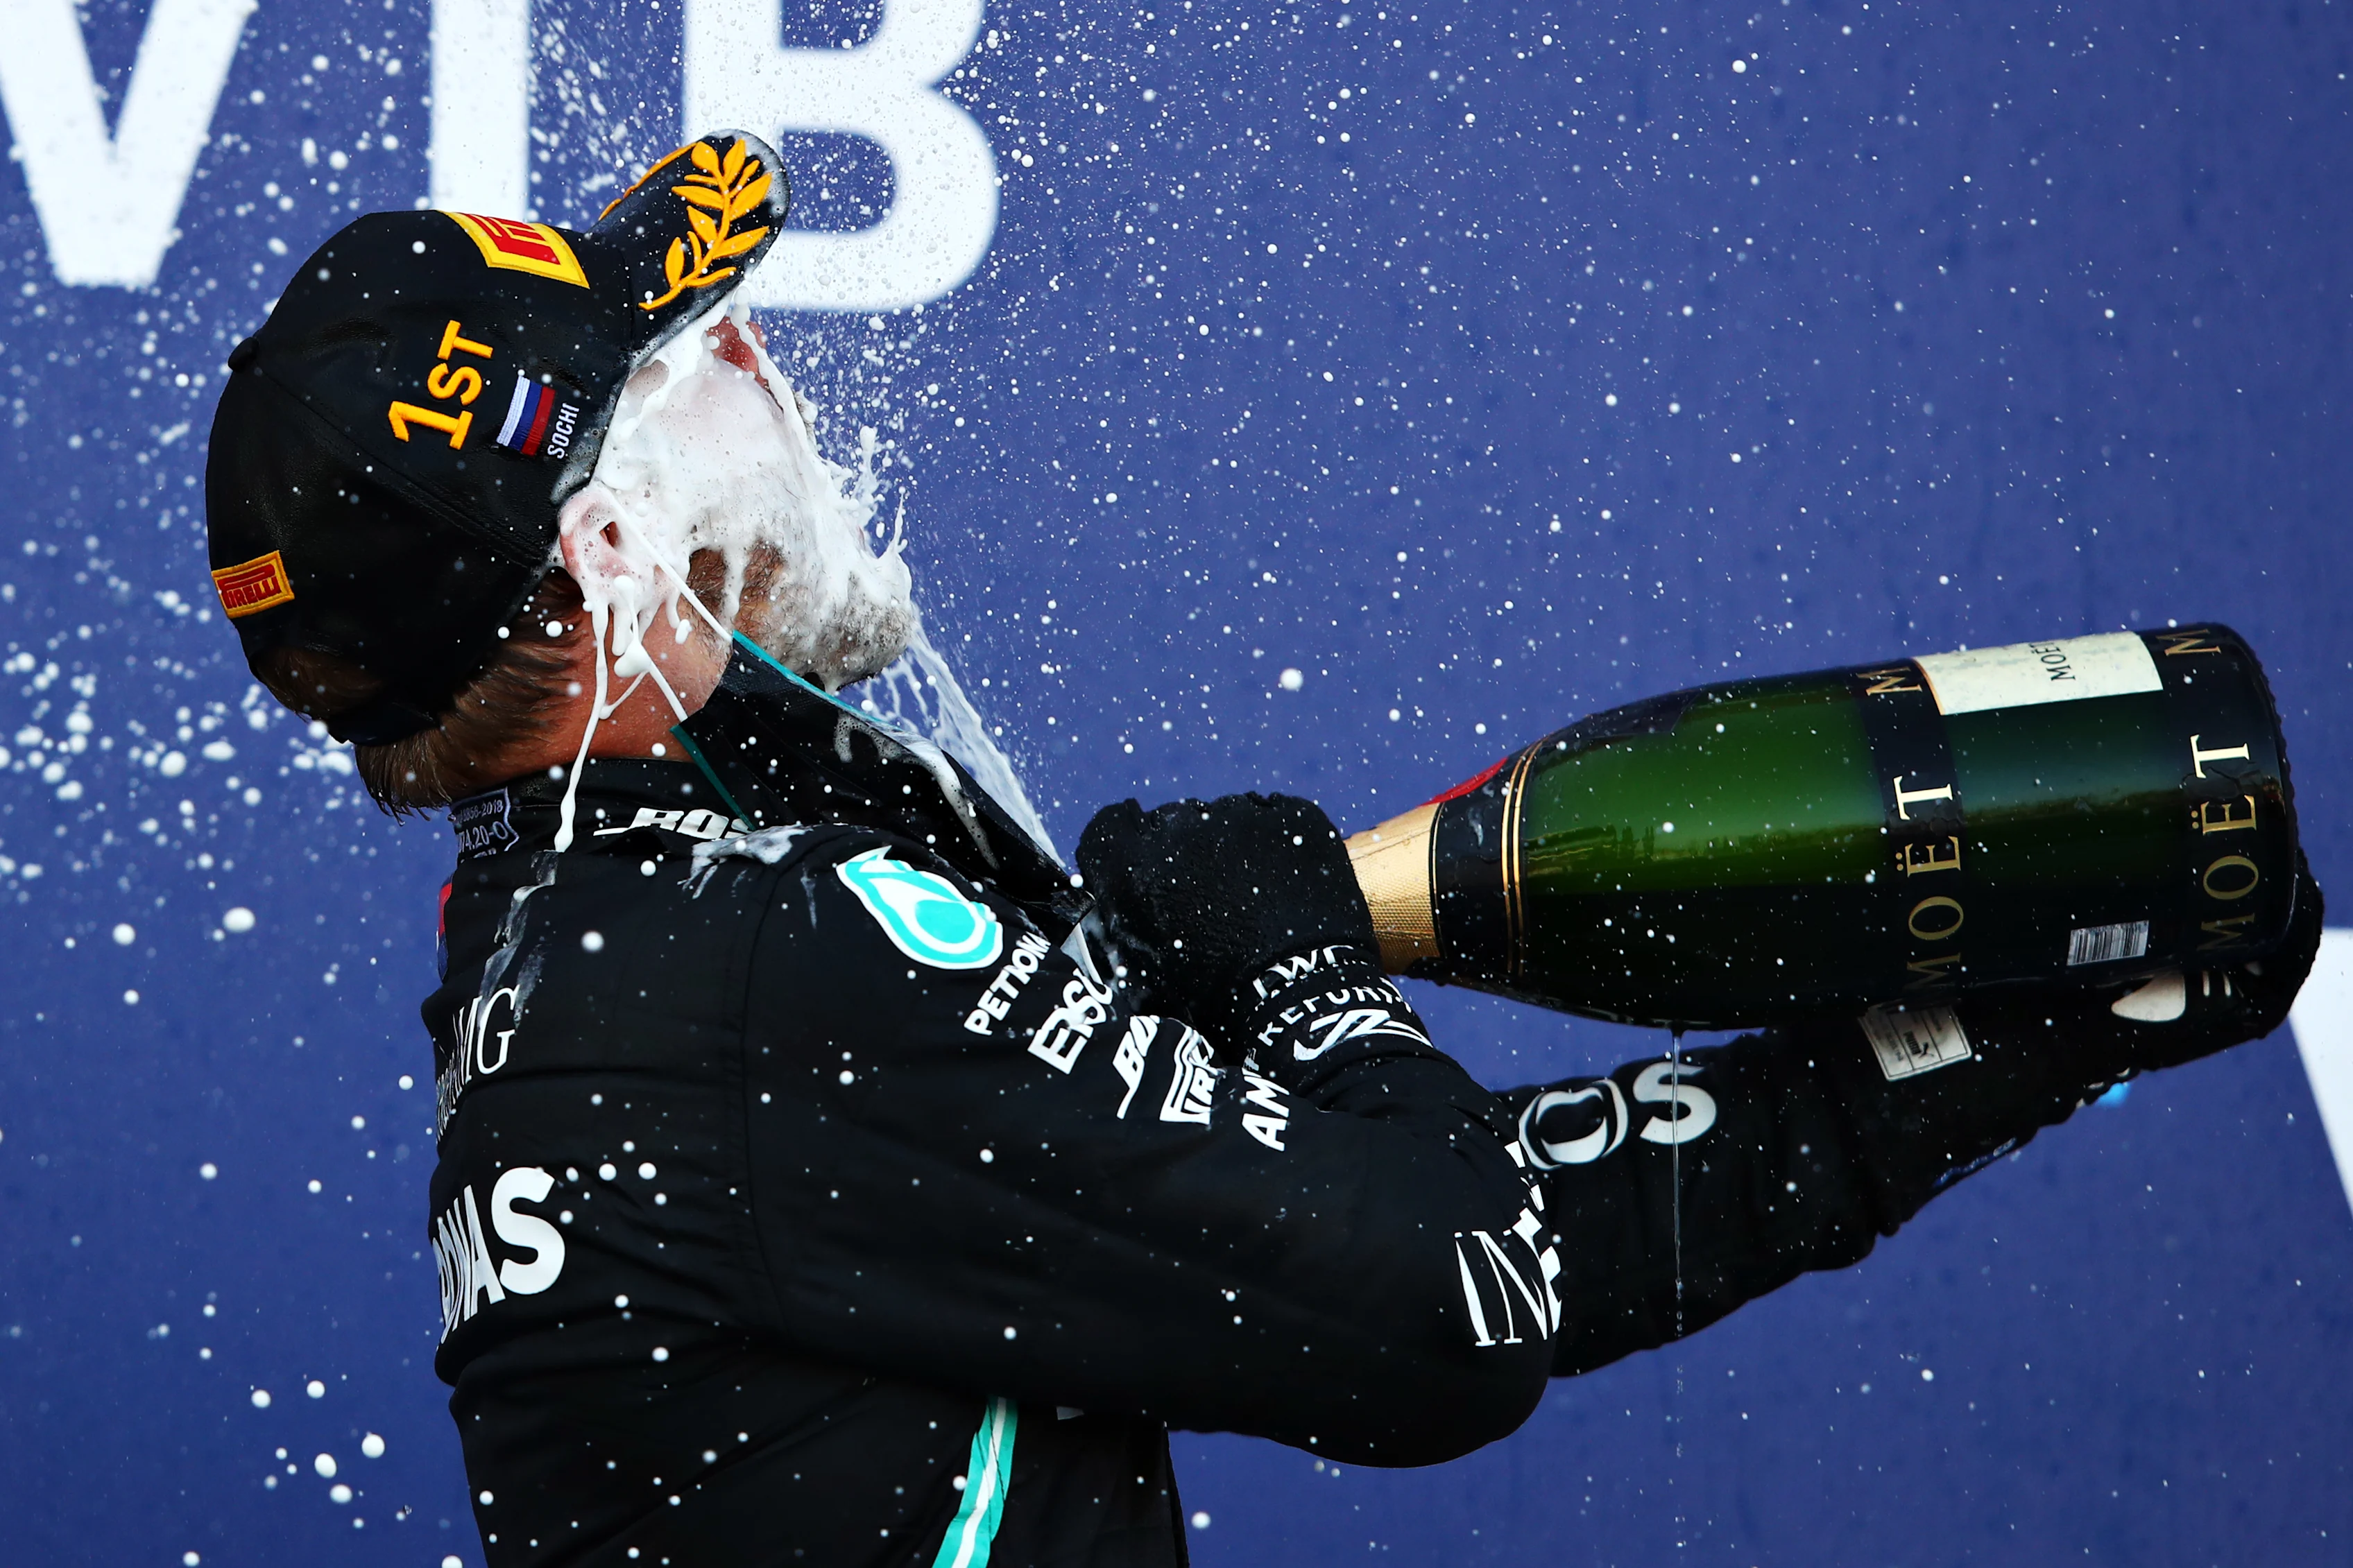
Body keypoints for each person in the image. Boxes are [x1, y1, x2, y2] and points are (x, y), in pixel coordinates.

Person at [203, 132, 2322, 1568]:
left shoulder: (600, 921)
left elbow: (1410, 1220)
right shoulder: (734, 976)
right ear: (599, 544)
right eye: (689, 361)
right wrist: (1310, 971)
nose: (760, 357)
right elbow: (1459, 1296)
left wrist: (2021, 1021)